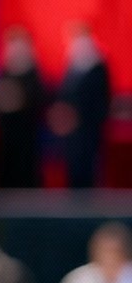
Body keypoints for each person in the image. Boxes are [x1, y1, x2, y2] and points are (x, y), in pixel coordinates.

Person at [48, 23, 114, 192]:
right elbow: (64, 95)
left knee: (88, 168)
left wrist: (81, 116)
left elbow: (102, 101)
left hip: (90, 129)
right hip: (72, 131)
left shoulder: (98, 67)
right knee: (73, 167)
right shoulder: (72, 66)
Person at [0, 26, 46, 189]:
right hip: (6, 135)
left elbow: (37, 102)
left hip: (27, 137)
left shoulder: (34, 74)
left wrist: (17, 100)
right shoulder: (3, 73)